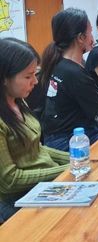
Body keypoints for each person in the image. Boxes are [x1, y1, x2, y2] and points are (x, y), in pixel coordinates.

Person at [0, 38, 69, 222]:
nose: (35, 81)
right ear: (4, 78)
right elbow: (9, 180)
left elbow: (35, 148)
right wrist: (67, 168)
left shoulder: (18, 101)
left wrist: (74, 159)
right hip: (16, 199)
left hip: (40, 185)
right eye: (28, 76)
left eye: (35, 74)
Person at [39, 8, 98, 151]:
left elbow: (97, 93)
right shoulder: (73, 72)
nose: (93, 37)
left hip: (67, 132)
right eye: (90, 32)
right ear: (81, 38)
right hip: (69, 138)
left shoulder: (63, 62)